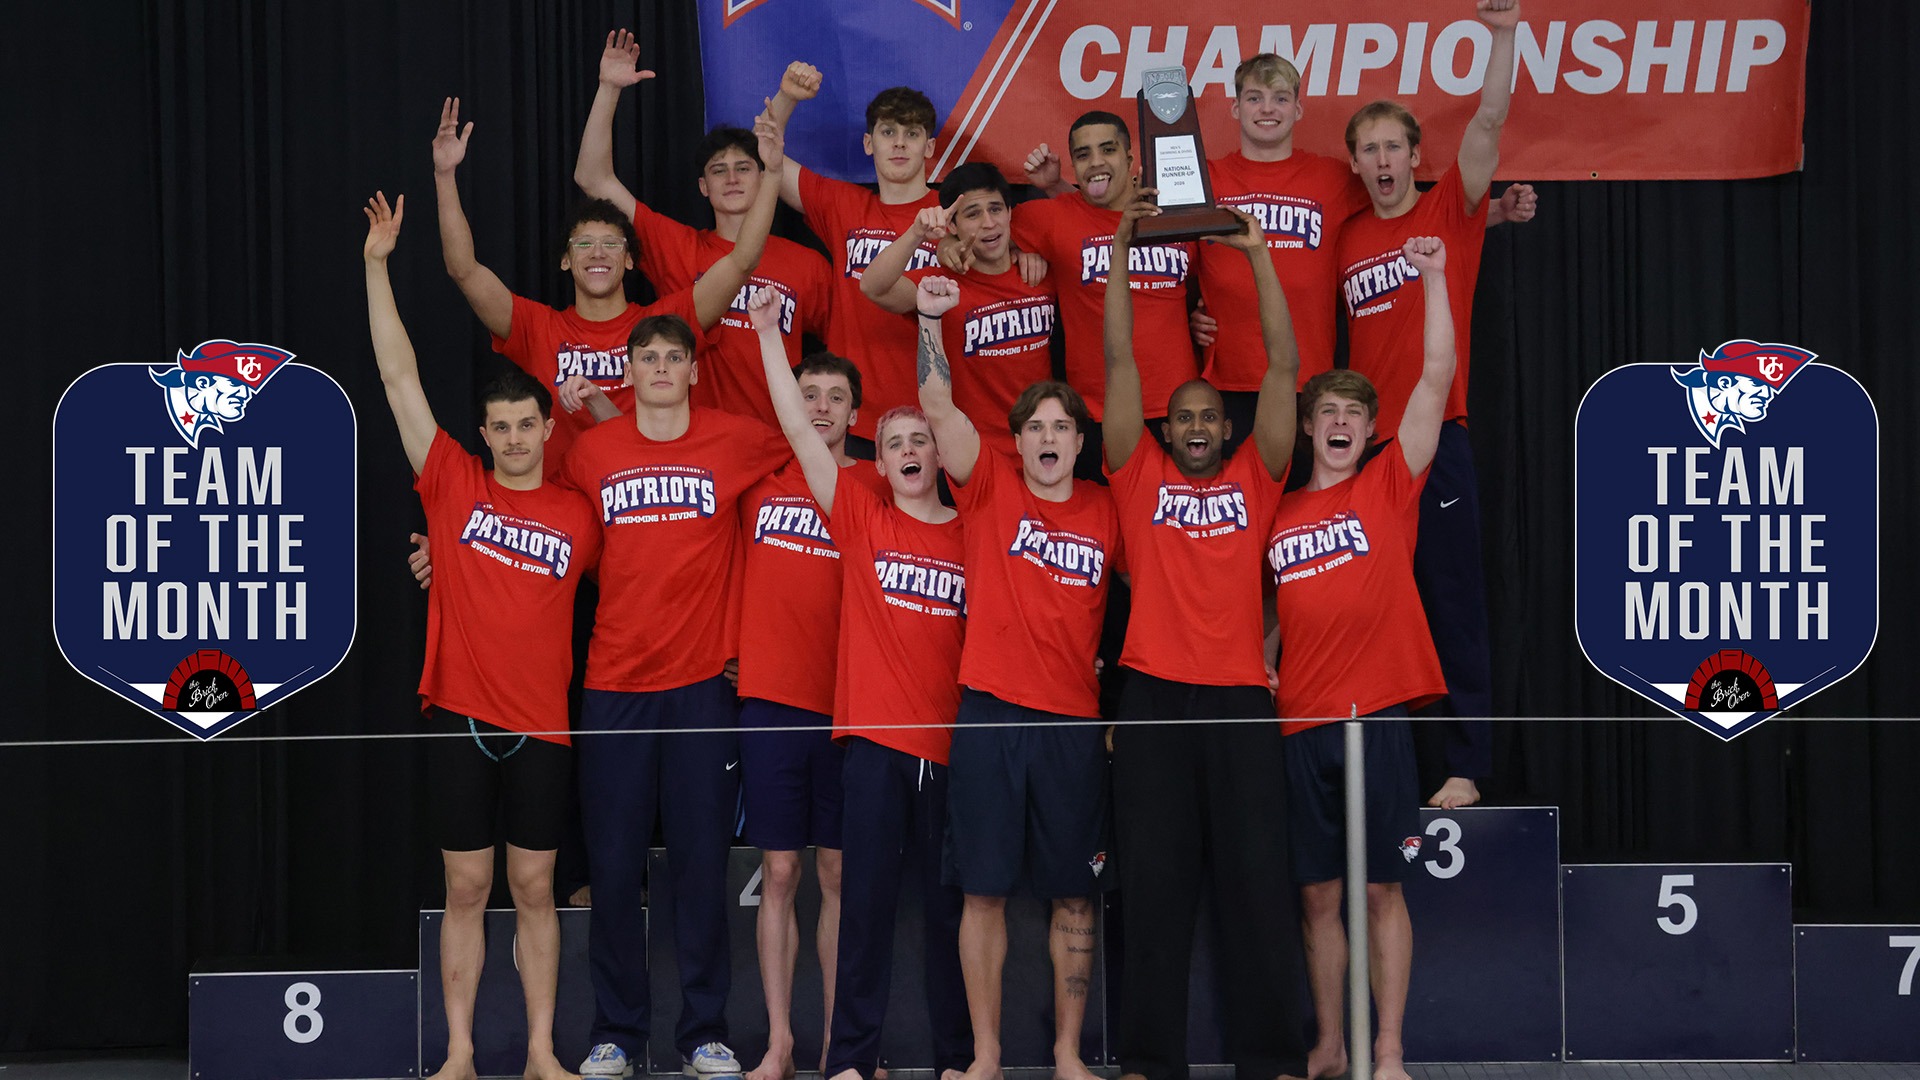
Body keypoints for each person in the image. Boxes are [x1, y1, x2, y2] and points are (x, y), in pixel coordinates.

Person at [559, 111, 793, 1080]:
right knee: (613, 872)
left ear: (693, 369)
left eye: (672, 359)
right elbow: (548, 539)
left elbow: (816, 475)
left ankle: (704, 1032)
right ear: (629, 371)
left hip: (704, 686)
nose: (659, 369)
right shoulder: (593, 449)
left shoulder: (738, 439)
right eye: (644, 360)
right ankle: (617, 1030)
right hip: (613, 682)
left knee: (701, 873)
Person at [363, 190, 601, 1080]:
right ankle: (459, 1055)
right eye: (497, 427)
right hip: (461, 718)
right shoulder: (455, 484)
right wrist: (376, 267)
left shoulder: (582, 514)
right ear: (486, 435)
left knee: (535, 889)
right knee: (466, 888)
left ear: (548, 429)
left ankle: (542, 1054)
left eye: (524, 426)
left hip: (543, 725)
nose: (509, 438)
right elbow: (398, 378)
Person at [1102, 194, 1308, 1080]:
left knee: (1257, 887)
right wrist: (1118, 250)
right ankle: (1153, 1060)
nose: (1191, 426)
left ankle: (1268, 1057)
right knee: (1153, 891)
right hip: (1150, 698)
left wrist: (1260, 258)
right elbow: (1115, 359)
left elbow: (1281, 368)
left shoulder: (1259, 474)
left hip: (1237, 699)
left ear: (1223, 429)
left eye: (1203, 417)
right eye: (1179, 415)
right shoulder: (1132, 470)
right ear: (1166, 427)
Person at [751, 286, 972, 1080]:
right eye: (895, 441)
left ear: (941, 454)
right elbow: (794, 428)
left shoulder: (975, 533)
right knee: (867, 916)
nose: (911, 449)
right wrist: (773, 335)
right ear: (876, 462)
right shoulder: (861, 517)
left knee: (950, 917)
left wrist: (932, 323)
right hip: (873, 747)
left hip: (950, 752)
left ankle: (957, 1058)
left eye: (922, 439)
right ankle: (851, 1061)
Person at [916, 277, 1119, 1080]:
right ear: (1020, 439)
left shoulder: (1107, 508)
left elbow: (1181, 576)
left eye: (1061, 427)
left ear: (1077, 442)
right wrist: (931, 318)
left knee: (1075, 895)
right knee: (984, 893)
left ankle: (1069, 1054)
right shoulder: (992, 486)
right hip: (990, 713)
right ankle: (988, 1058)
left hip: (1072, 721)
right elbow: (937, 409)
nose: (1047, 437)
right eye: (1034, 425)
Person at [1267, 236, 1458, 1080]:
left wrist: (1435, 277)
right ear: (1308, 425)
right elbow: (1275, 613)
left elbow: (1437, 375)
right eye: (1328, 415)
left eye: (1355, 416)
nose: (1341, 426)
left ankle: (1388, 1049)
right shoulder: (1274, 515)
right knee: (1315, 895)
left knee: (1382, 888)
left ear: (1371, 431)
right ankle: (1331, 1045)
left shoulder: (1390, 482)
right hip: (1299, 719)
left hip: (1372, 714)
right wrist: (1263, 659)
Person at [1335, 0, 1524, 809]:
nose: (1382, 159)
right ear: (1355, 162)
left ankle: (1463, 765)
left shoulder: (1450, 209)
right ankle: (1376, 762)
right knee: (1369, 608)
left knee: (1449, 601)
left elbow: (1487, 120)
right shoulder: (1344, 238)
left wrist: (1504, 35)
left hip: (1438, 439)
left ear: (1415, 154)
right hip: (1367, 451)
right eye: (1369, 148)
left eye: (1393, 146)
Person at [1190, 52, 1537, 453]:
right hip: (1227, 382)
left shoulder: (1334, 177)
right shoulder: (1205, 179)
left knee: (1312, 512)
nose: (1267, 109)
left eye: (1280, 98)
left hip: (1312, 387)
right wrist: (1193, 316)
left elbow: (1405, 209)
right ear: (1235, 107)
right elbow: (1177, 264)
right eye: (1254, 98)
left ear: (1299, 108)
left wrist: (1492, 211)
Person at [432, 95, 754, 475]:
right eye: (584, 244)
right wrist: (444, 176)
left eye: (612, 245)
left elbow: (740, 262)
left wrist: (774, 172)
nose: (597, 254)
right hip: (562, 515)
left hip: (642, 502)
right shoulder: (538, 327)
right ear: (566, 260)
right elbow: (464, 270)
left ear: (630, 260)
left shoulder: (665, 322)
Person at [732, 348, 889, 1080]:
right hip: (769, 698)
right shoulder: (757, 480)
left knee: (836, 873)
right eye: (809, 394)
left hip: (852, 705)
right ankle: (780, 1045)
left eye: (835, 396)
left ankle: (838, 1048)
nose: (822, 406)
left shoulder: (879, 486)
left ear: (857, 414)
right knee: (782, 870)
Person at [574, 29, 835, 431]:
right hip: (693, 445)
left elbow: (845, 349)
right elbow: (593, 177)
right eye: (718, 170)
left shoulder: (809, 265)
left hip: (779, 446)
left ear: (765, 176)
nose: (731, 178)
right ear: (703, 186)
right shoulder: (675, 246)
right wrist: (608, 88)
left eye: (744, 168)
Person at [764, 63, 943, 447]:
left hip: (931, 420)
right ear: (868, 143)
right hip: (851, 420)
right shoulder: (843, 205)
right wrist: (787, 99)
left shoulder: (952, 214)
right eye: (888, 132)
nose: (898, 143)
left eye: (912, 134)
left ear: (929, 147)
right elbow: (765, 157)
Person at [1015, 112, 1198, 476]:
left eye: (1108, 149)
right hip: (1096, 412)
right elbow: (977, 232)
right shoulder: (1049, 218)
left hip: (1177, 410)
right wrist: (1020, 249)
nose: (1096, 162)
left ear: (1130, 159)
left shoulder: (1176, 211)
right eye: (1083, 155)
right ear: (1074, 166)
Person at [860, 163, 1056, 456]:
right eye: (973, 214)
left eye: (996, 209)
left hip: (1043, 450)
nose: (989, 223)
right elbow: (872, 287)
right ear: (952, 226)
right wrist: (916, 233)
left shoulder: (1040, 272)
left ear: (1010, 212)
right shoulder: (941, 285)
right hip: (976, 456)